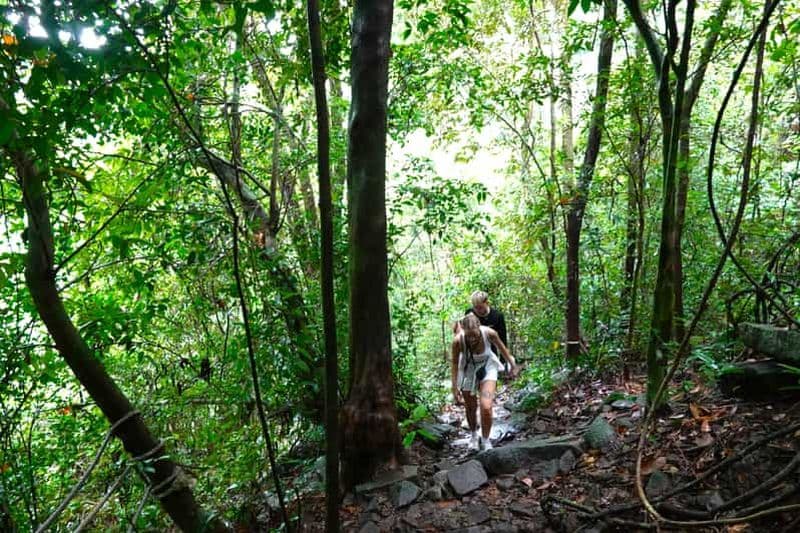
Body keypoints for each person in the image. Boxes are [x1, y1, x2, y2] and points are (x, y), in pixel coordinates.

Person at [451, 313, 518, 451]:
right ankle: (474, 435)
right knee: (470, 406)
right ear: (463, 330)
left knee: (486, 406)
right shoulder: (458, 341)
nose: (472, 338)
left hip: (488, 367)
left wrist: (512, 365)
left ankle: (486, 439)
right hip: (467, 370)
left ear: (479, 328)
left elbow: (503, 349)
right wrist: (454, 387)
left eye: (474, 335)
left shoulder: (489, 333)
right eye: (468, 335)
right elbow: (454, 364)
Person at [466, 290, 509, 372]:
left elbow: (503, 340)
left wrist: (504, 361)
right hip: (474, 353)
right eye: (475, 307)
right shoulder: (470, 313)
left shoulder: (497, 316)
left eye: (480, 307)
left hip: (490, 352)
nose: (478, 310)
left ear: (487, 303)